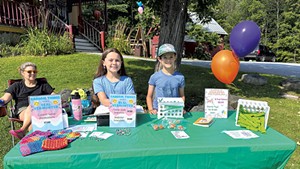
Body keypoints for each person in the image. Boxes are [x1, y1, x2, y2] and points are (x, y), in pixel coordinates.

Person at [0, 62, 55, 139]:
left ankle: (26, 133)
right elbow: (5, 98)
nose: (32, 73)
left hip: (41, 110)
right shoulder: (17, 86)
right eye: (29, 72)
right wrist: (1, 102)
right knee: (32, 106)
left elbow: (53, 96)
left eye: (35, 72)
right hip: (23, 110)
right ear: (23, 73)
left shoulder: (43, 85)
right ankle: (27, 133)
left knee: (33, 123)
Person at [146, 44, 185, 115]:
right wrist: (151, 109)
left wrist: (181, 108)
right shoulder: (154, 77)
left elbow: (182, 96)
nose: (168, 60)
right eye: (165, 57)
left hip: (174, 110)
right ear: (160, 59)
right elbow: (149, 96)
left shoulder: (180, 77)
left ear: (175, 57)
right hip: (158, 111)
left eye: (171, 57)